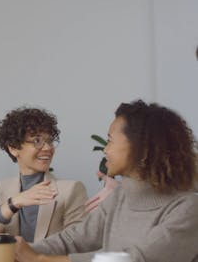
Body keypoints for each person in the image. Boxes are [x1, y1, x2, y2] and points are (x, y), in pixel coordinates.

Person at [14, 100, 198, 262]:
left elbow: (137, 259)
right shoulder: (120, 196)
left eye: (110, 141)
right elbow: (74, 240)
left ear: (142, 149)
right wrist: (18, 250)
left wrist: (40, 260)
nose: (105, 150)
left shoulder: (188, 208)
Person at [0, 107, 88, 242]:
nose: (47, 148)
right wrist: (14, 203)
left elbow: (78, 245)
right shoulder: (0, 188)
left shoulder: (71, 190)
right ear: (13, 148)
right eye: (37, 141)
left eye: (49, 141)